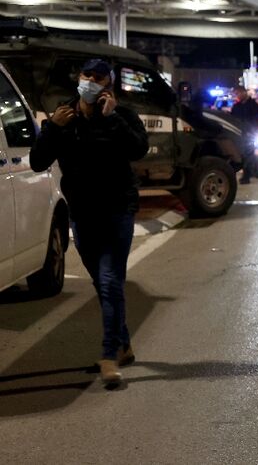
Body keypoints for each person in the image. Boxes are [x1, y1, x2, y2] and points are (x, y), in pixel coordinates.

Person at [30, 58, 149, 385]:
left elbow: (139, 149)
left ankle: (108, 356)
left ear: (108, 85)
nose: (92, 82)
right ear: (78, 78)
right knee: (103, 283)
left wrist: (112, 120)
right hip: (82, 214)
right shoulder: (63, 116)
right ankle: (123, 342)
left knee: (110, 280)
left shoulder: (121, 116)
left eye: (99, 78)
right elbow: (38, 161)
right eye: (87, 75)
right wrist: (52, 127)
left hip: (117, 209)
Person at [230, 85, 258, 184]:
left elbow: (256, 120)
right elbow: (232, 119)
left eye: (238, 93)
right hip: (238, 134)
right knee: (240, 155)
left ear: (244, 92)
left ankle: (247, 175)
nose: (237, 96)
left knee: (248, 155)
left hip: (249, 134)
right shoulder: (237, 106)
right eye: (236, 94)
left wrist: (251, 131)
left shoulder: (253, 105)